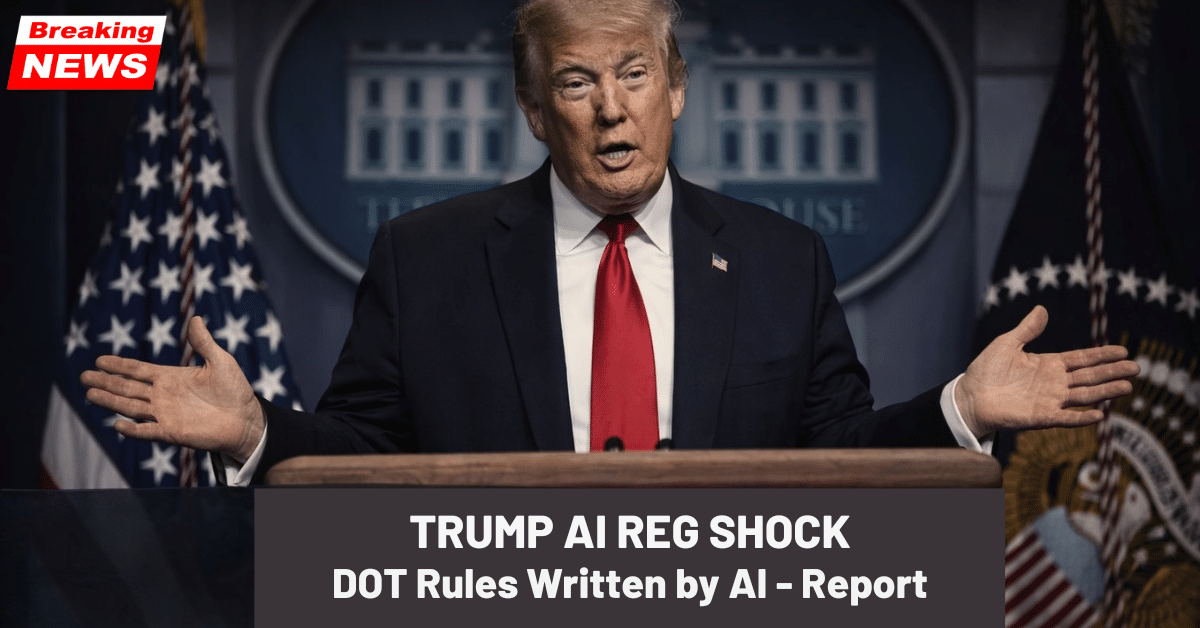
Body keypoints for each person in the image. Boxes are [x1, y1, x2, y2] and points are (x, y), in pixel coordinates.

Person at [80, 0, 1138, 485]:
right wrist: (258, 428)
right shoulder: (427, 258)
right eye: (577, 83)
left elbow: (838, 462)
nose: (611, 110)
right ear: (537, 110)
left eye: (634, 74)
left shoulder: (780, 260)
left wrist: (962, 408)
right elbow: (370, 461)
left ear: (677, 87)